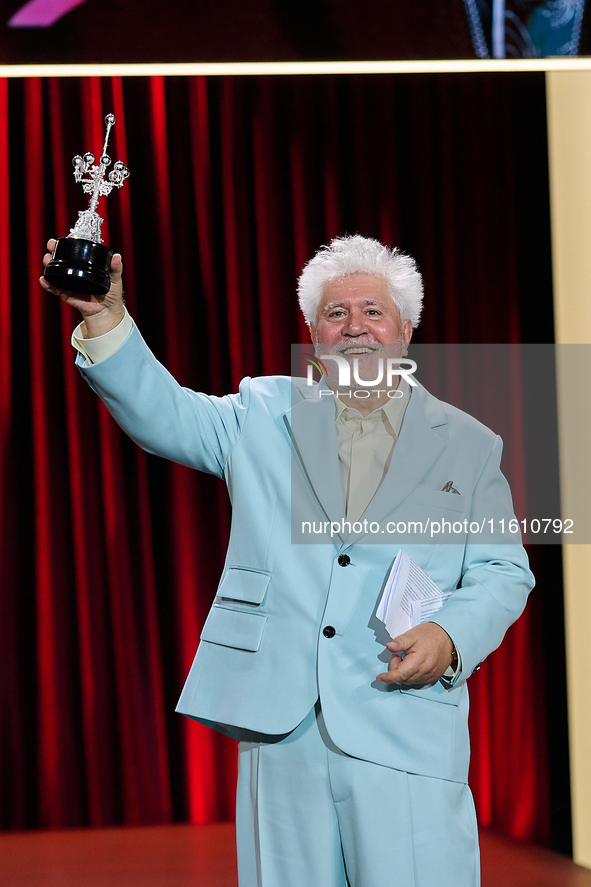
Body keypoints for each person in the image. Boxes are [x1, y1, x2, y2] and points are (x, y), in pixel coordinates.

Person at [41, 234, 534, 887]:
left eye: (372, 311)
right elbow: (164, 415)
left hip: (402, 722)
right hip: (283, 729)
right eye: (335, 313)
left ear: (406, 329)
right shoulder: (261, 412)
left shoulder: (469, 444)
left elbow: (504, 572)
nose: (353, 326)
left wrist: (448, 636)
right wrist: (104, 318)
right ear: (312, 331)